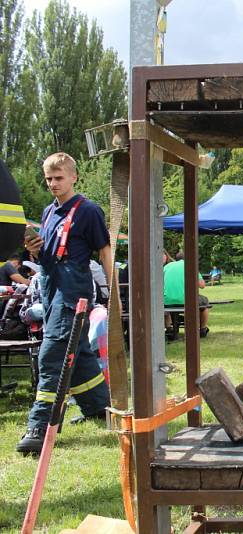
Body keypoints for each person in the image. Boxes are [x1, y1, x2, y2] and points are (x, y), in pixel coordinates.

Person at [18, 152, 112, 454]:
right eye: (48, 179)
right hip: (49, 283)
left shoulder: (89, 211)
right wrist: (34, 249)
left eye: (59, 178)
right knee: (80, 352)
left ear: (74, 177)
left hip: (73, 290)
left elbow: (104, 251)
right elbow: (49, 253)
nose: (53, 184)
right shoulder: (48, 212)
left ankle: (40, 424)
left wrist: (116, 292)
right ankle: (99, 407)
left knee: (52, 350)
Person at [163, 250, 210, 337]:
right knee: (204, 302)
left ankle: (169, 328)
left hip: (167, 301)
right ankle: (203, 329)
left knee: (164, 305)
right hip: (187, 300)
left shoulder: (166, 267)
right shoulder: (191, 266)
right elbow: (202, 285)